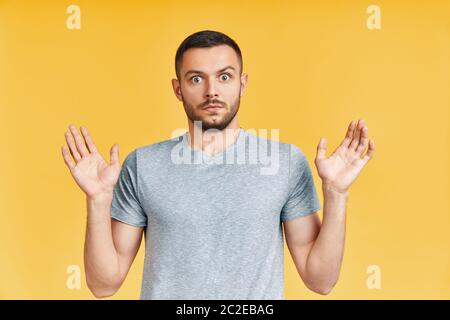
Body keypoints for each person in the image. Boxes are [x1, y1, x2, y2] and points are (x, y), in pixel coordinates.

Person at [61, 30, 375, 299]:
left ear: (242, 83)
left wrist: (336, 193)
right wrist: (99, 200)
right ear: (177, 89)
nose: (212, 90)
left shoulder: (286, 163)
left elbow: (320, 280)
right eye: (196, 78)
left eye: (225, 76)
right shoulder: (143, 165)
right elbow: (103, 285)